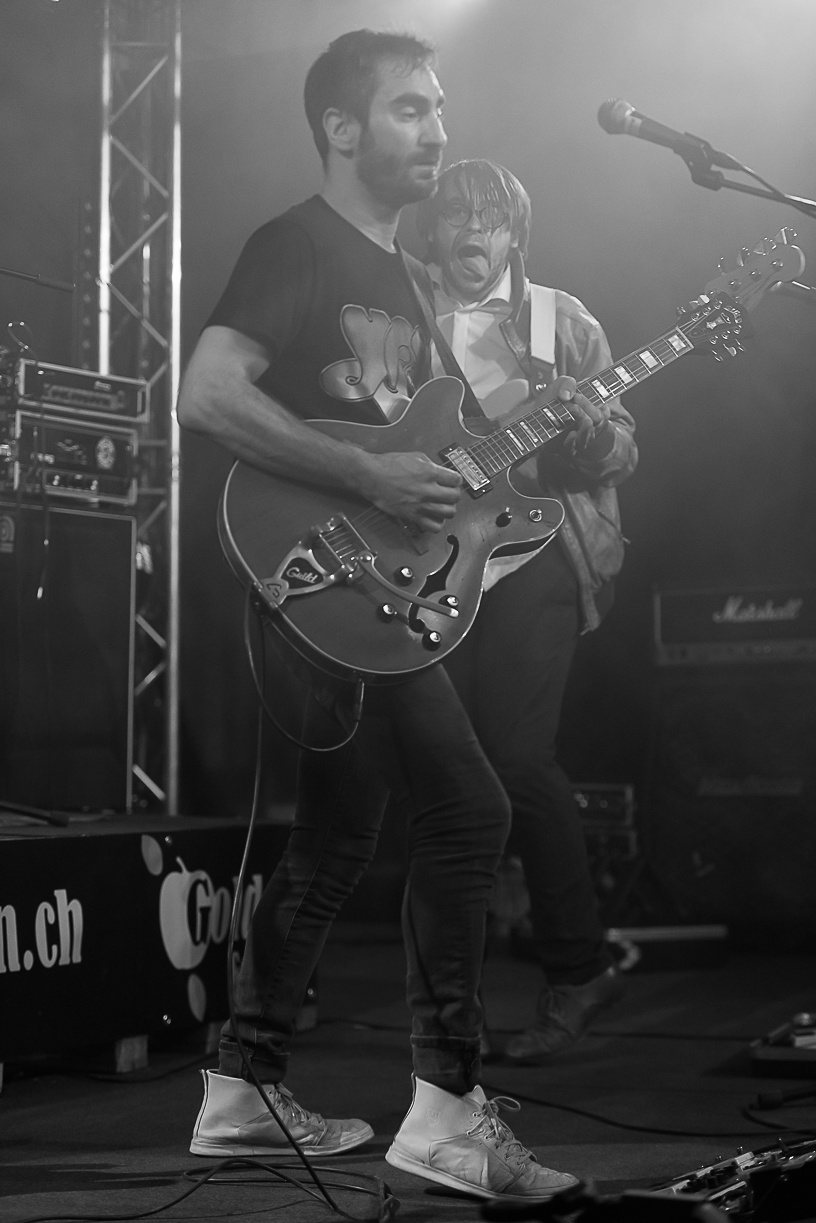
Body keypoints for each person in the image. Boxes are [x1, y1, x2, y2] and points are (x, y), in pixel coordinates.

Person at [177, 31, 585, 1202]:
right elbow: (207, 392)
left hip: (373, 594)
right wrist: (368, 479)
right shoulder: (296, 243)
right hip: (314, 572)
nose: (438, 130)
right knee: (469, 807)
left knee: (339, 834)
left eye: (441, 108)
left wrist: (542, 435)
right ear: (341, 127)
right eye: (410, 108)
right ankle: (448, 1114)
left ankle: (241, 1087)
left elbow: (424, 449)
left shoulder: (406, 277)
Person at [415, 160, 638, 1064]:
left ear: (515, 235)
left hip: (539, 559)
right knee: (438, 773)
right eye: (457, 214)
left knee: (517, 759)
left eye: (492, 218)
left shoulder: (560, 321)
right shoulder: (403, 314)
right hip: (431, 564)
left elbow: (621, 449)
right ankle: (447, 1004)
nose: (474, 229)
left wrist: (591, 431)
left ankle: (578, 969)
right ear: (434, 229)